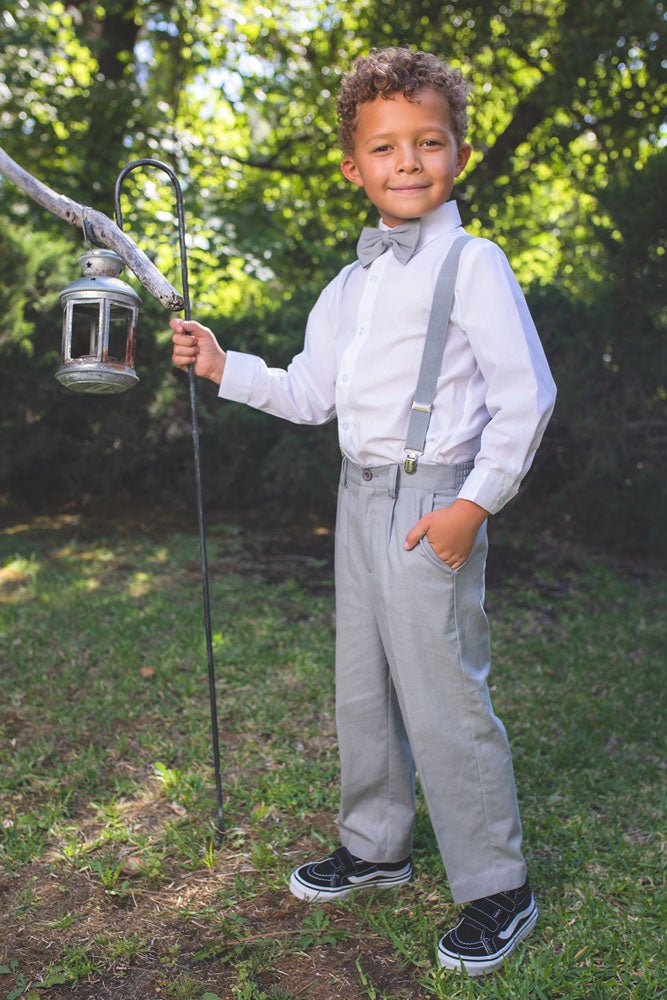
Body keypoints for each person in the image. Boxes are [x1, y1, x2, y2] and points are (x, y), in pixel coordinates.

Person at [171, 47, 556, 976]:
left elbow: (528, 395)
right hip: (356, 499)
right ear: (354, 168)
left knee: (445, 699)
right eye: (386, 148)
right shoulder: (350, 285)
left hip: (436, 504)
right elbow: (311, 393)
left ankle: (497, 886)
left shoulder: (474, 263)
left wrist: (473, 505)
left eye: (429, 142)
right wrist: (226, 367)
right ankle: (375, 847)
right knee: (365, 688)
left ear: (457, 153)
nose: (409, 162)